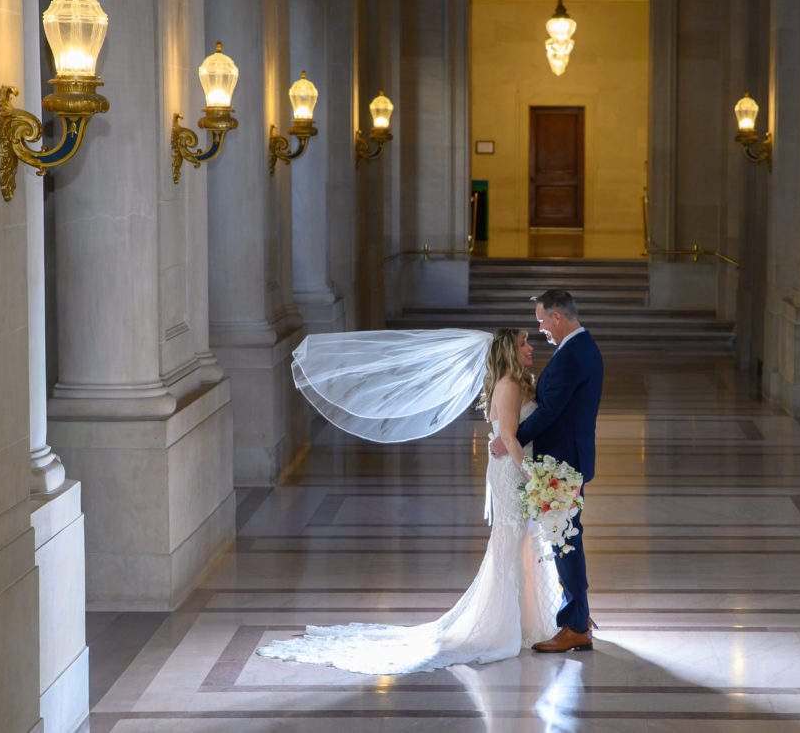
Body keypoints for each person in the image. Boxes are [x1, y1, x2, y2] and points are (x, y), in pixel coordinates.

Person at [257, 328, 561, 674]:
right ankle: (505, 623)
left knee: (522, 541)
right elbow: (507, 436)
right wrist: (533, 477)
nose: (529, 347)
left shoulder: (517, 383)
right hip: (511, 473)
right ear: (508, 350)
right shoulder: (507, 386)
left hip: (514, 469)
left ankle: (527, 620)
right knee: (512, 542)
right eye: (522, 343)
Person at [491, 289, 603, 653]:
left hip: (561, 466)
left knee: (565, 542)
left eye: (541, 321)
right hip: (566, 462)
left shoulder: (572, 355)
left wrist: (509, 439)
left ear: (557, 317)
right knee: (566, 539)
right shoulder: (580, 349)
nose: (540, 330)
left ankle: (574, 625)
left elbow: (550, 411)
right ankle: (579, 616)